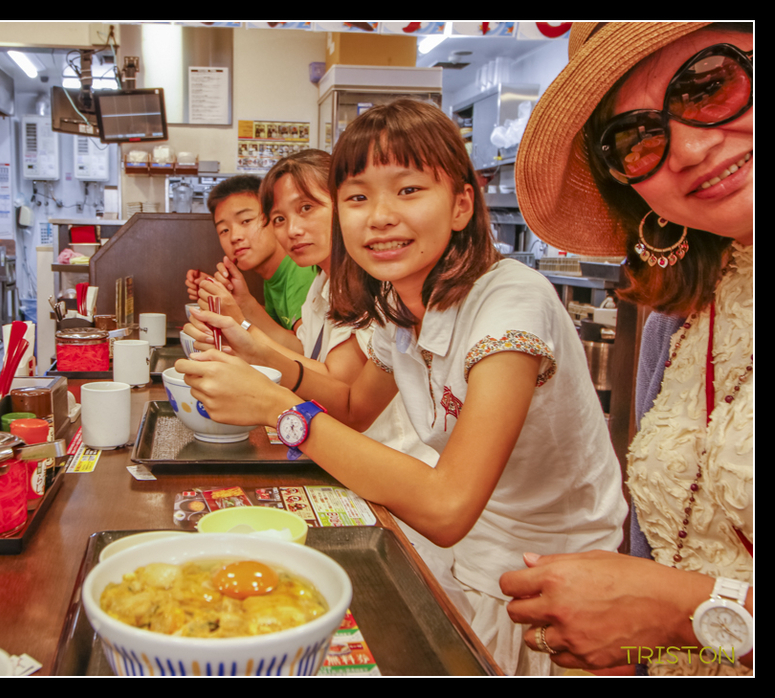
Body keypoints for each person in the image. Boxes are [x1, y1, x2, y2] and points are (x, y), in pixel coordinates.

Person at [177, 99, 625, 675]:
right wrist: (258, 354)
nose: (379, 217)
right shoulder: (399, 303)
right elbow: (352, 406)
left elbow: (447, 505)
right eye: (358, 197)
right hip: (462, 562)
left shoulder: (511, 301)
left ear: (462, 204)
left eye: (409, 190)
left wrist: (278, 407)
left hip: (554, 586)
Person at [501, 22, 753, 676]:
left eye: (709, 85)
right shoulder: (683, 307)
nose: (692, 147)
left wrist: (680, 610)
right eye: (639, 138)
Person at [186, 150, 469, 619]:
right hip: (360, 468)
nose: (292, 229)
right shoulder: (327, 286)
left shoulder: (388, 290)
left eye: (308, 208)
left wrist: (267, 388)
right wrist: (247, 333)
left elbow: (338, 391)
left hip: (400, 480)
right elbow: (330, 381)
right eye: (279, 217)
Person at [186, 175, 316, 352]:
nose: (234, 236)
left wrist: (246, 305)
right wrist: (230, 298)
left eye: (246, 220)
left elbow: (305, 351)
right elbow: (276, 327)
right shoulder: (272, 276)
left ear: (275, 217)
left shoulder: (302, 270)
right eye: (224, 230)